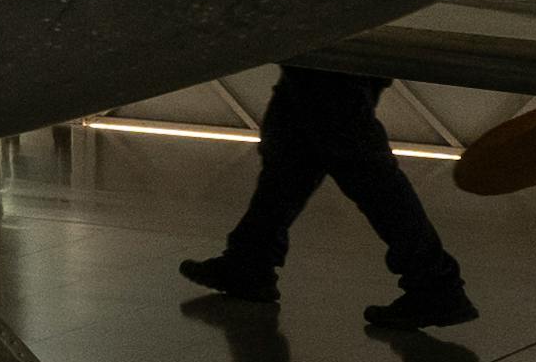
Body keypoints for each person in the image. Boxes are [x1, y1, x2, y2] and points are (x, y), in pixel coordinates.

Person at [184, 63, 472, 334]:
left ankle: (435, 284)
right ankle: (249, 261)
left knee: (360, 167)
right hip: (327, 50)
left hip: (329, 51)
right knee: (293, 149)